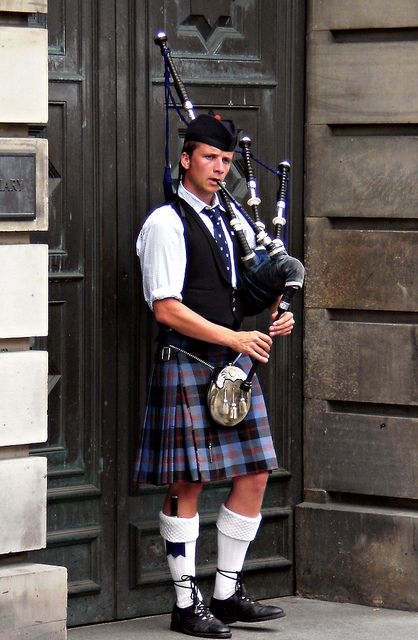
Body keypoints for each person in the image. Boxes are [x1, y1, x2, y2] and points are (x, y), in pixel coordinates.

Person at [134, 114, 295, 639]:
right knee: (190, 481)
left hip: (231, 367)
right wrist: (235, 339)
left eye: (226, 161)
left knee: (254, 474)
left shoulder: (231, 223)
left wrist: (276, 307)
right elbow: (166, 308)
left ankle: (225, 593)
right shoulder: (166, 222)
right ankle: (185, 605)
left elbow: (243, 291)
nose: (220, 168)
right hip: (187, 361)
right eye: (209, 157)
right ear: (186, 159)